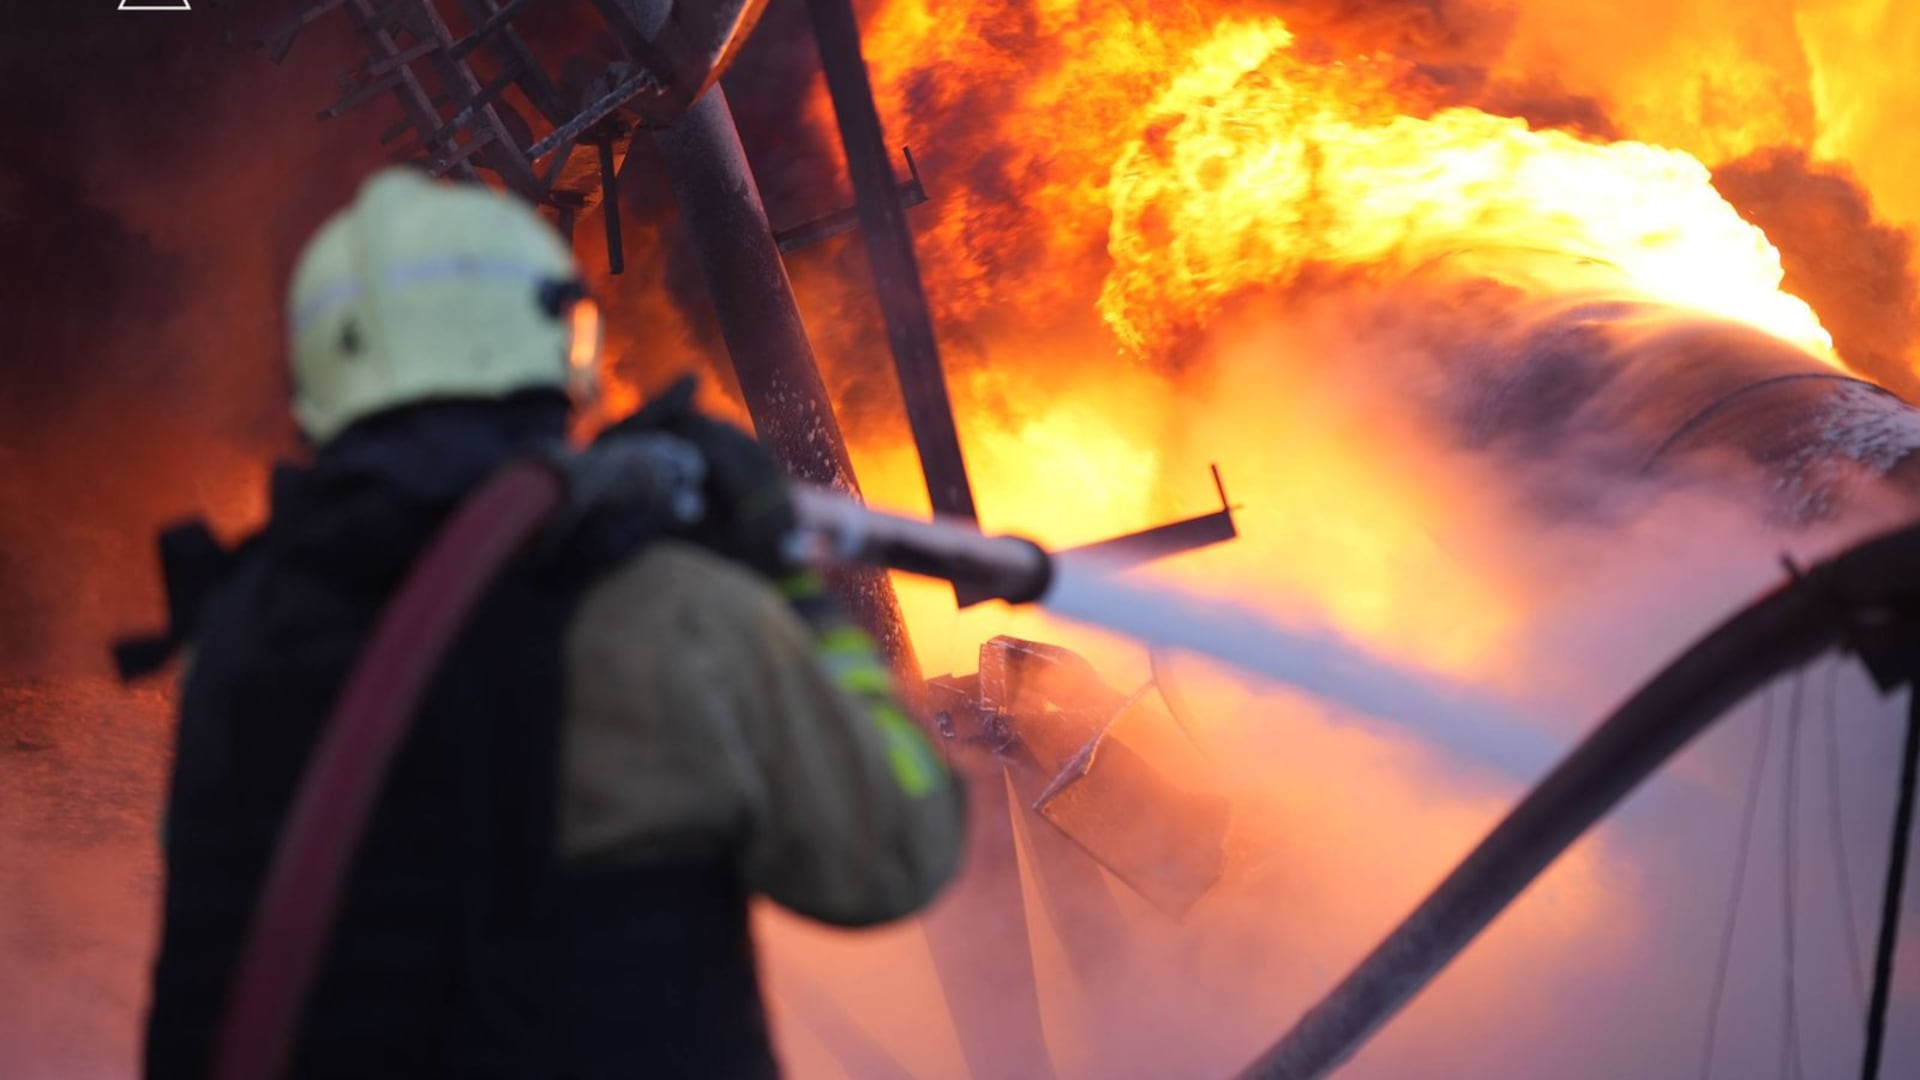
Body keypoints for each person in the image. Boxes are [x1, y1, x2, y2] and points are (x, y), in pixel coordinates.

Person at [131, 167, 965, 1078]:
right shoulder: (664, 611)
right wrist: (787, 584)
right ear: (557, 345)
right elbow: (898, 852)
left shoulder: (239, 635)